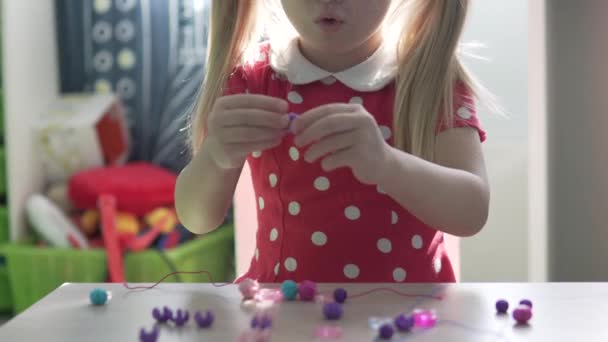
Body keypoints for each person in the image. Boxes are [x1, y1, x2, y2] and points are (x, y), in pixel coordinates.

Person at [176, 0, 490, 283]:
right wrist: (215, 157)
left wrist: (386, 164)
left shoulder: (429, 79)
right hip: (286, 314)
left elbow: (472, 210)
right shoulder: (253, 79)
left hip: (408, 316)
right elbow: (196, 219)